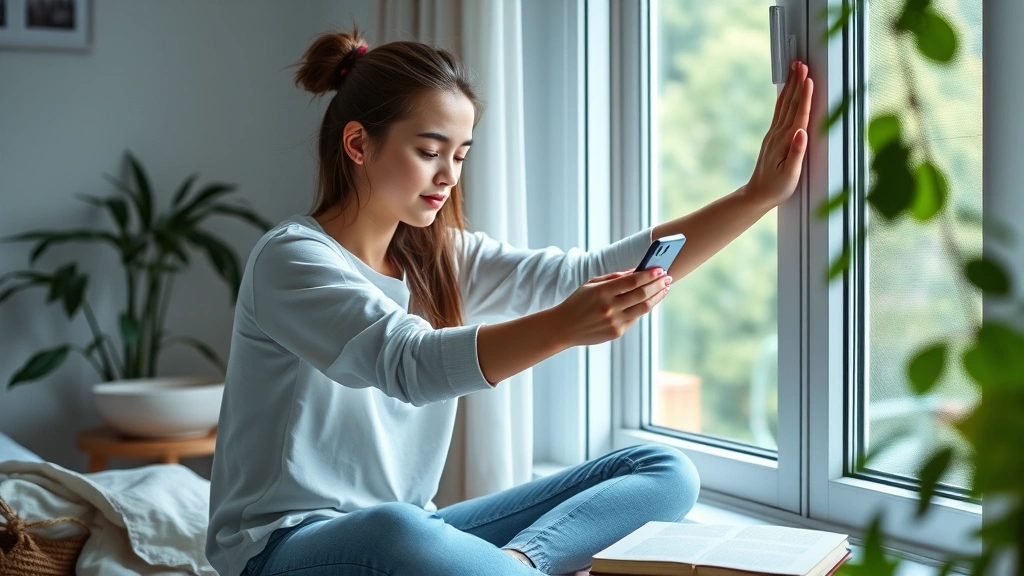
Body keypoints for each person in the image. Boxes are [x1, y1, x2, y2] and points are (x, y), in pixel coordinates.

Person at [206, 27, 812, 576]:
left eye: (461, 155)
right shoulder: (291, 260)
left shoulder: (439, 256)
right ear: (359, 144)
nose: (449, 176)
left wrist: (756, 196)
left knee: (662, 471)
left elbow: (588, 272)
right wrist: (563, 328)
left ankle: (516, 566)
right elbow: (408, 363)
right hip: (282, 551)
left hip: (419, 531)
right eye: (429, 150)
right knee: (396, 529)